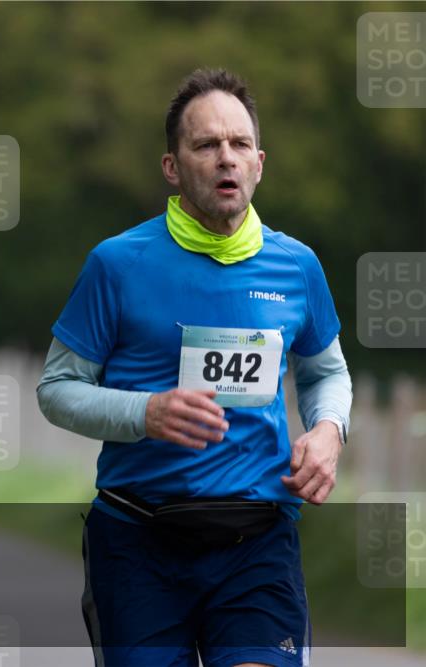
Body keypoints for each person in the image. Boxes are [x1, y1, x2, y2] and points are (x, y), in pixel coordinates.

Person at [37, 69, 352, 667]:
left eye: (238, 145)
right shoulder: (117, 264)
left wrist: (330, 429)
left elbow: (325, 372)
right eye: (206, 145)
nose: (224, 158)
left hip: (257, 541)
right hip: (138, 540)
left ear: (260, 163)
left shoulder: (298, 267)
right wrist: (145, 412)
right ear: (172, 168)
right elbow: (56, 389)